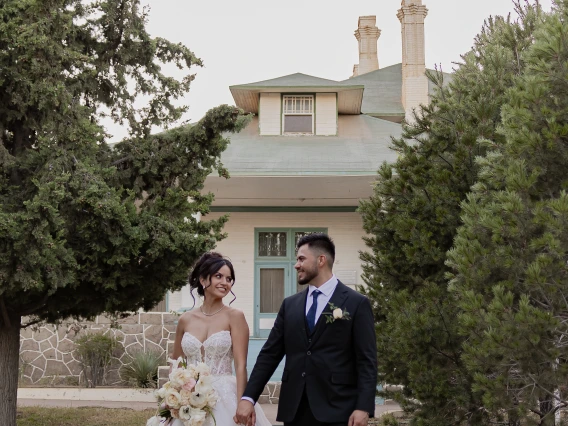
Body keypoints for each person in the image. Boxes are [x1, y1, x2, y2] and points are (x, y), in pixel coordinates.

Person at [235, 233, 378, 426]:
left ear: (321, 260)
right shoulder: (290, 305)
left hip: (338, 408)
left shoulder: (356, 303)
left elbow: (366, 360)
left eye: (302, 259)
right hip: (295, 410)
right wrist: (248, 398)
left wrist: (364, 407)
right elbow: (269, 355)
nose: (296, 265)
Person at [167, 252, 271, 426]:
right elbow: (176, 364)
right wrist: (173, 399)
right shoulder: (185, 319)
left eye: (229, 279)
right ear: (203, 280)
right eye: (218, 276)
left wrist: (242, 403)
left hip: (224, 397)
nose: (225, 283)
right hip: (189, 397)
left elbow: (240, 365)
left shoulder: (235, 316)